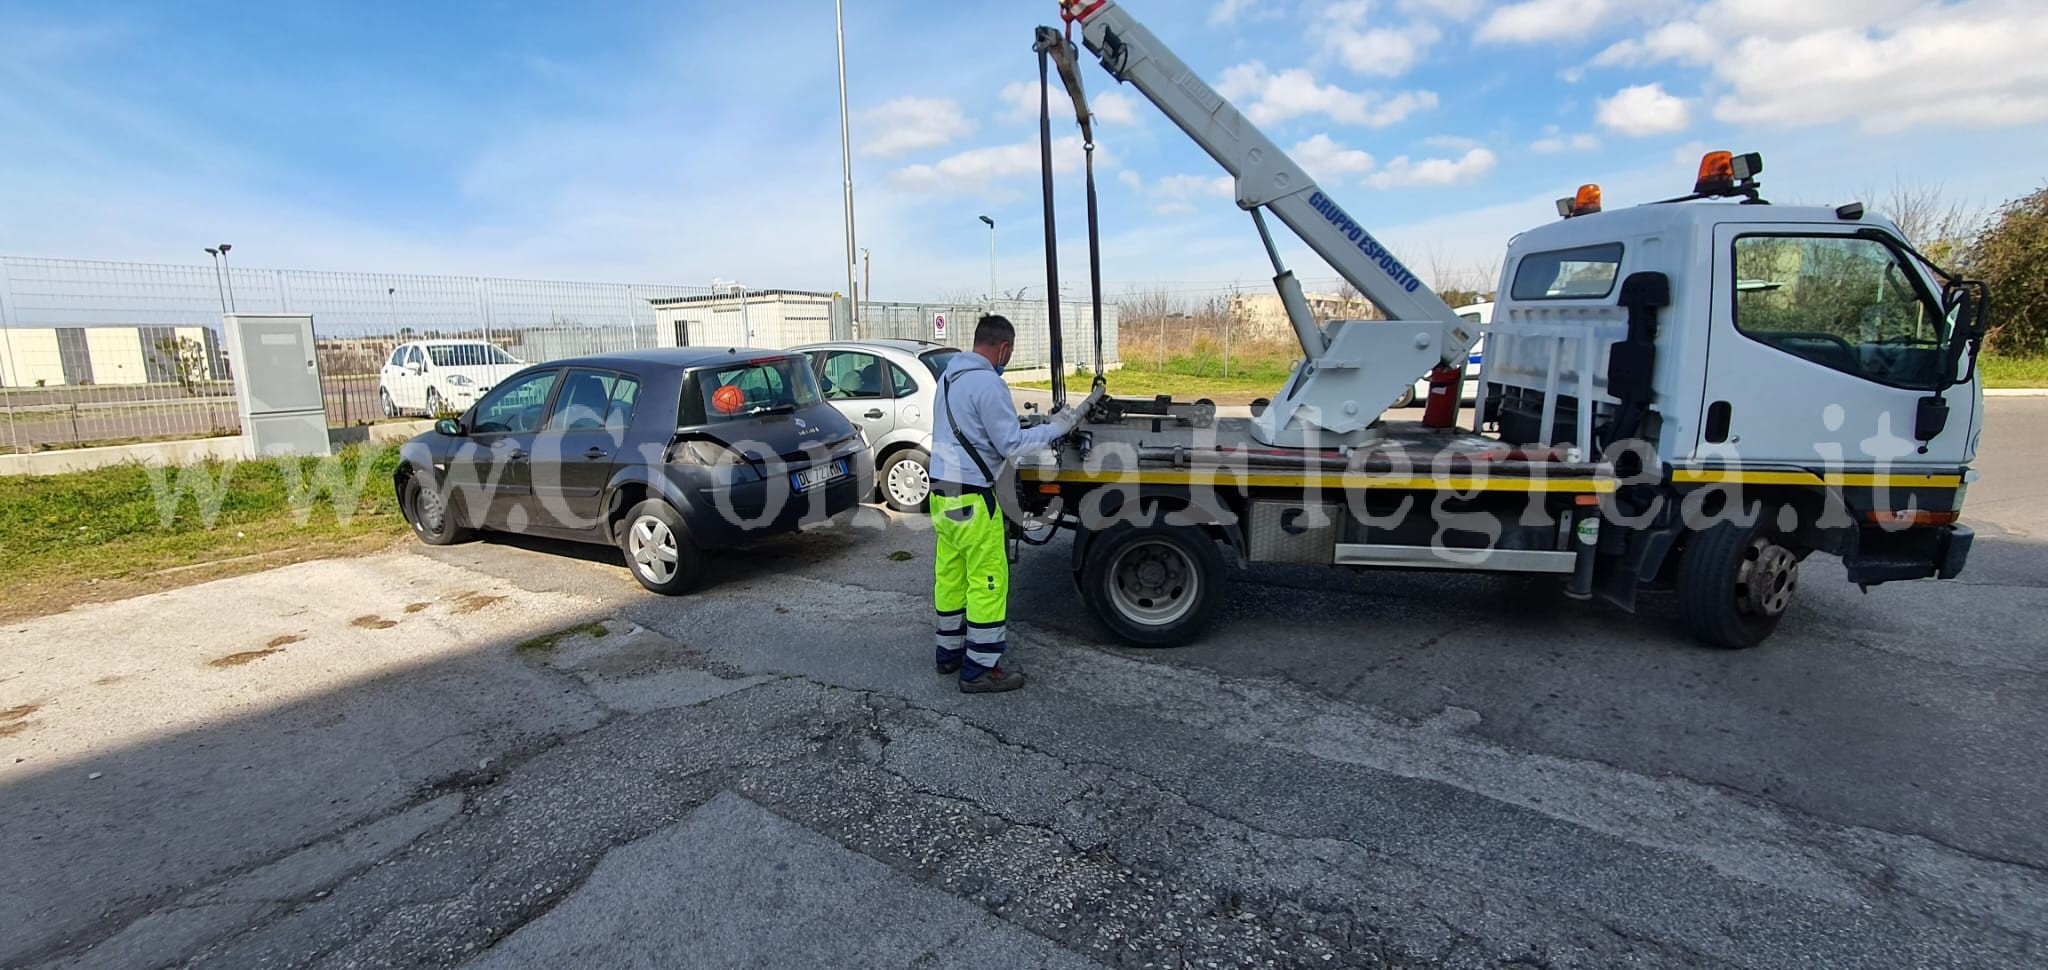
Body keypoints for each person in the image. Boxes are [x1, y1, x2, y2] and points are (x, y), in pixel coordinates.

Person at [929, 315, 1090, 693]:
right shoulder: (989, 383)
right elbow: (1011, 444)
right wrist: (1056, 428)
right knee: (988, 581)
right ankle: (980, 669)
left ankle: (948, 653)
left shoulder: (949, 376)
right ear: (1003, 348)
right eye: (1010, 353)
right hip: (973, 498)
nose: (1008, 359)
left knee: (950, 578)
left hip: (941, 495)